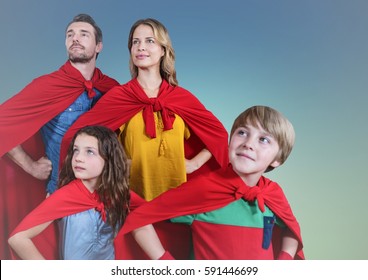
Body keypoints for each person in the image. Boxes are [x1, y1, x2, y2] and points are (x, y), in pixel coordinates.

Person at [60, 18, 229, 202]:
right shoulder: (120, 96)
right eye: (135, 42)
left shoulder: (180, 97)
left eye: (149, 41)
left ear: (163, 50)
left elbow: (218, 135)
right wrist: (117, 163)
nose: (141, 47)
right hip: (131, 200)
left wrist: (195, 164)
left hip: (178, 200)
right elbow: (82, 137)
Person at [0, 14, 119, 259]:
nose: (75, 38)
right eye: (70, 34)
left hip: (107, 197)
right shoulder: (47, 85)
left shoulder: (112, 89)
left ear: (98, 46)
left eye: (83, 34)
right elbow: (3, 122)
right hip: (66, 196)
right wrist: (30, 167)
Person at [117, 105, 305, 260]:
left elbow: (291, 229)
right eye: (242, 132)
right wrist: (165, 263)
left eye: (263, 139)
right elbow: (140, 217)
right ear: (230, 141)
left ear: (277, 159)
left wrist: (285, 258)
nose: (248, 143)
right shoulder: (204, 189)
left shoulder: (272, 193)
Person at [8, 126, 173, 260]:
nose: (78, 158)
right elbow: (18, 238)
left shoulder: (118, 194)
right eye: (75, 150)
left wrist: (165, 262)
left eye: (89, 152)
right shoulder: (65, 196)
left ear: (108, 159)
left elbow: (141, 222)